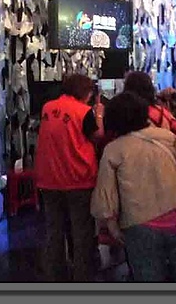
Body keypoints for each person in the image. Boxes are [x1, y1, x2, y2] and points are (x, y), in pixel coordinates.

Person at [90, 91, 176, 282]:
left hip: (140, 226)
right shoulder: (167, 137)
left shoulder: (113, 150)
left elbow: (106, 196)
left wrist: (113, 228)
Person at [34, 74, 105, 282]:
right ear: (85, 92)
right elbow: (98, 136)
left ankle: (55, 276)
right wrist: (99, 115)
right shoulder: (83, 112)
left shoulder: (47, 108)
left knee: (54, 232)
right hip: (78, 179)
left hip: (49, 180)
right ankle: (82, 278)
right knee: (81, 233)